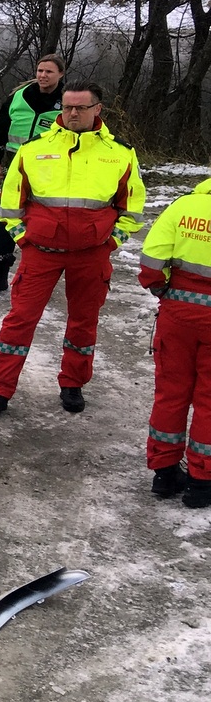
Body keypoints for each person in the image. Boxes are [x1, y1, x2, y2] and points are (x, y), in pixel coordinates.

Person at [0, 82, 145, 420]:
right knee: (20, 320)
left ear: (97, 109)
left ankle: (73, 383)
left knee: (84, 322)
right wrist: (22, 238)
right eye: (67, 107)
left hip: (91, 254)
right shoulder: (33, 149)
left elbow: (133, 206)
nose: (71, 113)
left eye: (80, 108)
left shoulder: (120, 153)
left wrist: (113, 241)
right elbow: (11, 203)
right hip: (40, 251)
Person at [137, 178, 211, 507]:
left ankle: (164, 474)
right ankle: (202, 482)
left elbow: (151, 261)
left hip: (178, 313)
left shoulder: (182, 207)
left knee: (171, 392)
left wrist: (163, 291)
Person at [0, 54, 67, 296]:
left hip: (51, 173)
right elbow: (0, 127)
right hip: (16, 168)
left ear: (60, 74)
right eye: (40, 70)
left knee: (45, 224)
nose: (43, 75)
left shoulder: (67, 101)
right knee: (6, 220)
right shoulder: (19, 97)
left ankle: (39, 280)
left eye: (49, 71)